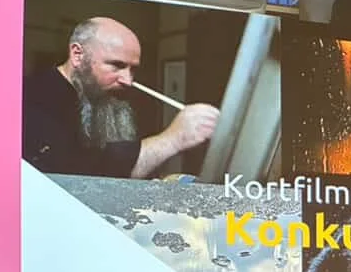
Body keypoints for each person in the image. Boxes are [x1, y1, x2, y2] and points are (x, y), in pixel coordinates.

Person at [22, 17, 219, 179]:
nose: (128, 81)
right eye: (117, 65)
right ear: (77, 54)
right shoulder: (32, 101)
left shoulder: (96, 95)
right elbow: (88, 173)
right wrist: (174, 139)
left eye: (133, 69)